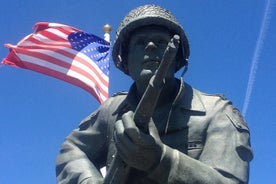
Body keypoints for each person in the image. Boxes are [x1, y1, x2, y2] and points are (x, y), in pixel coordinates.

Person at [56, 4, 253, 184]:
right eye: (140, 43)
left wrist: (160, 161)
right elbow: (72, 150)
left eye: (161, 42)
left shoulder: (216, 113)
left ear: (178, 60)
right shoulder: (111, 111)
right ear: (126, 62)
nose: (151, 47)